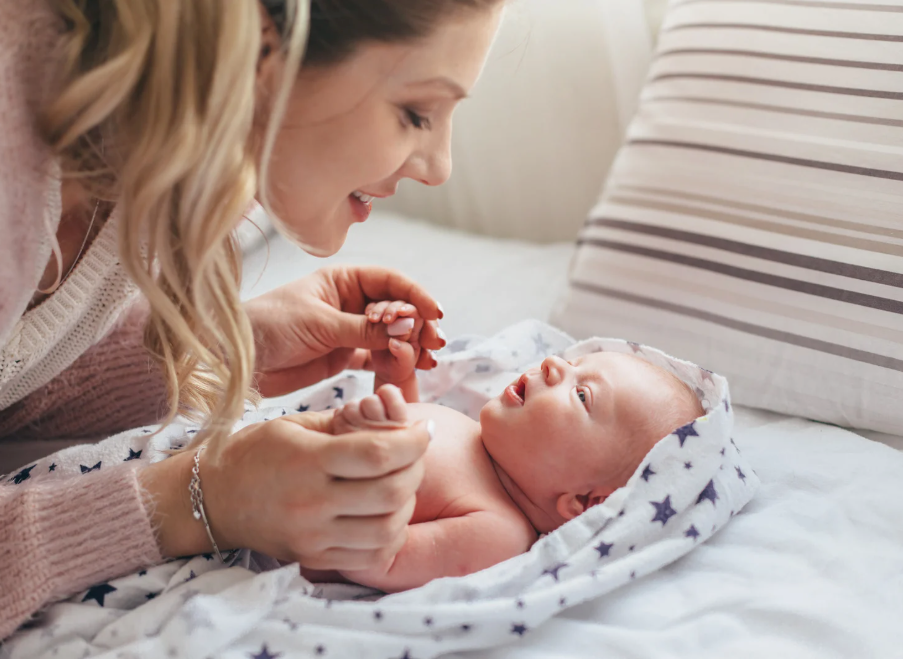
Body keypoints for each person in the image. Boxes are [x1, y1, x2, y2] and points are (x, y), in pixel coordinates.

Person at [0, 0, 505, 639]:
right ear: (265, 48)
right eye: (416, 113)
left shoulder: (143, 150)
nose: (439, 168)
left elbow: (14, 372)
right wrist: (197, 502)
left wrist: (226, 345)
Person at [303, 303, 704, 592]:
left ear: (583, 502)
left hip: (279, 515)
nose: (554, 365)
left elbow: (383, 559)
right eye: (574, 365)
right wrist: (394, 379)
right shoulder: (472, 435)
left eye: (582, 394)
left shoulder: (500, 532)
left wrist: (364, 475)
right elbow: (407, 427)